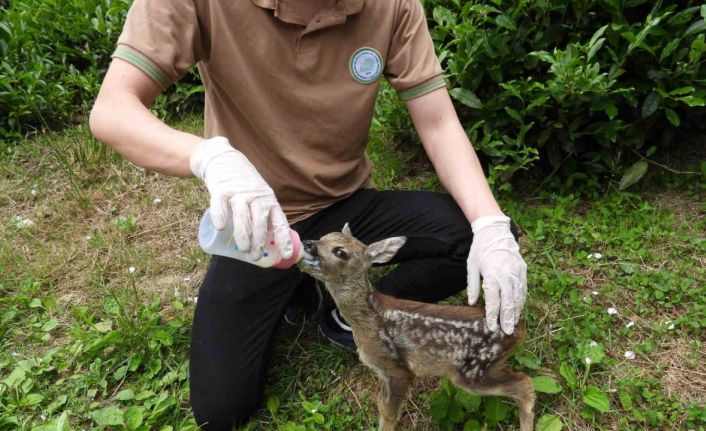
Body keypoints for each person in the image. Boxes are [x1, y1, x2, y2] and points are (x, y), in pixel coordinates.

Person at [89, 0, 528, 429]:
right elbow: (113, 110)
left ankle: (345, 313)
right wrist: (209, 157)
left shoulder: (392, 5)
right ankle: (295, 292)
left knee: (472, 232)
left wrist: (490, 224)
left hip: (347, 211)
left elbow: (436, 122)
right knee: (221, 410)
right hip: (260, 221)